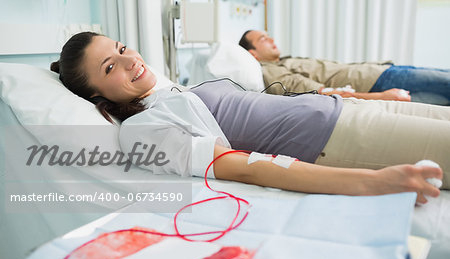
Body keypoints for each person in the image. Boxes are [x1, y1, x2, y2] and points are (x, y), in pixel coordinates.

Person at [50, 32, 449, 205]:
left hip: (352, 109)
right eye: (109, 67)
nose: (130, 60)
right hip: (339, 137)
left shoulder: (169, 93)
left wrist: (366, 98)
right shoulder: (141, 131)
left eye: (122, 48)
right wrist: (372, 184)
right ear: (96, 96)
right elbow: (244, 169)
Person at [239, 30, 450, 106]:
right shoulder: (269, 71)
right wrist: (382, 97)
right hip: (377, 81)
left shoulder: (283, 61)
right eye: (263, 39)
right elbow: (319, 92)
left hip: (381, 71)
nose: (272, 39)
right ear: (253, 54)